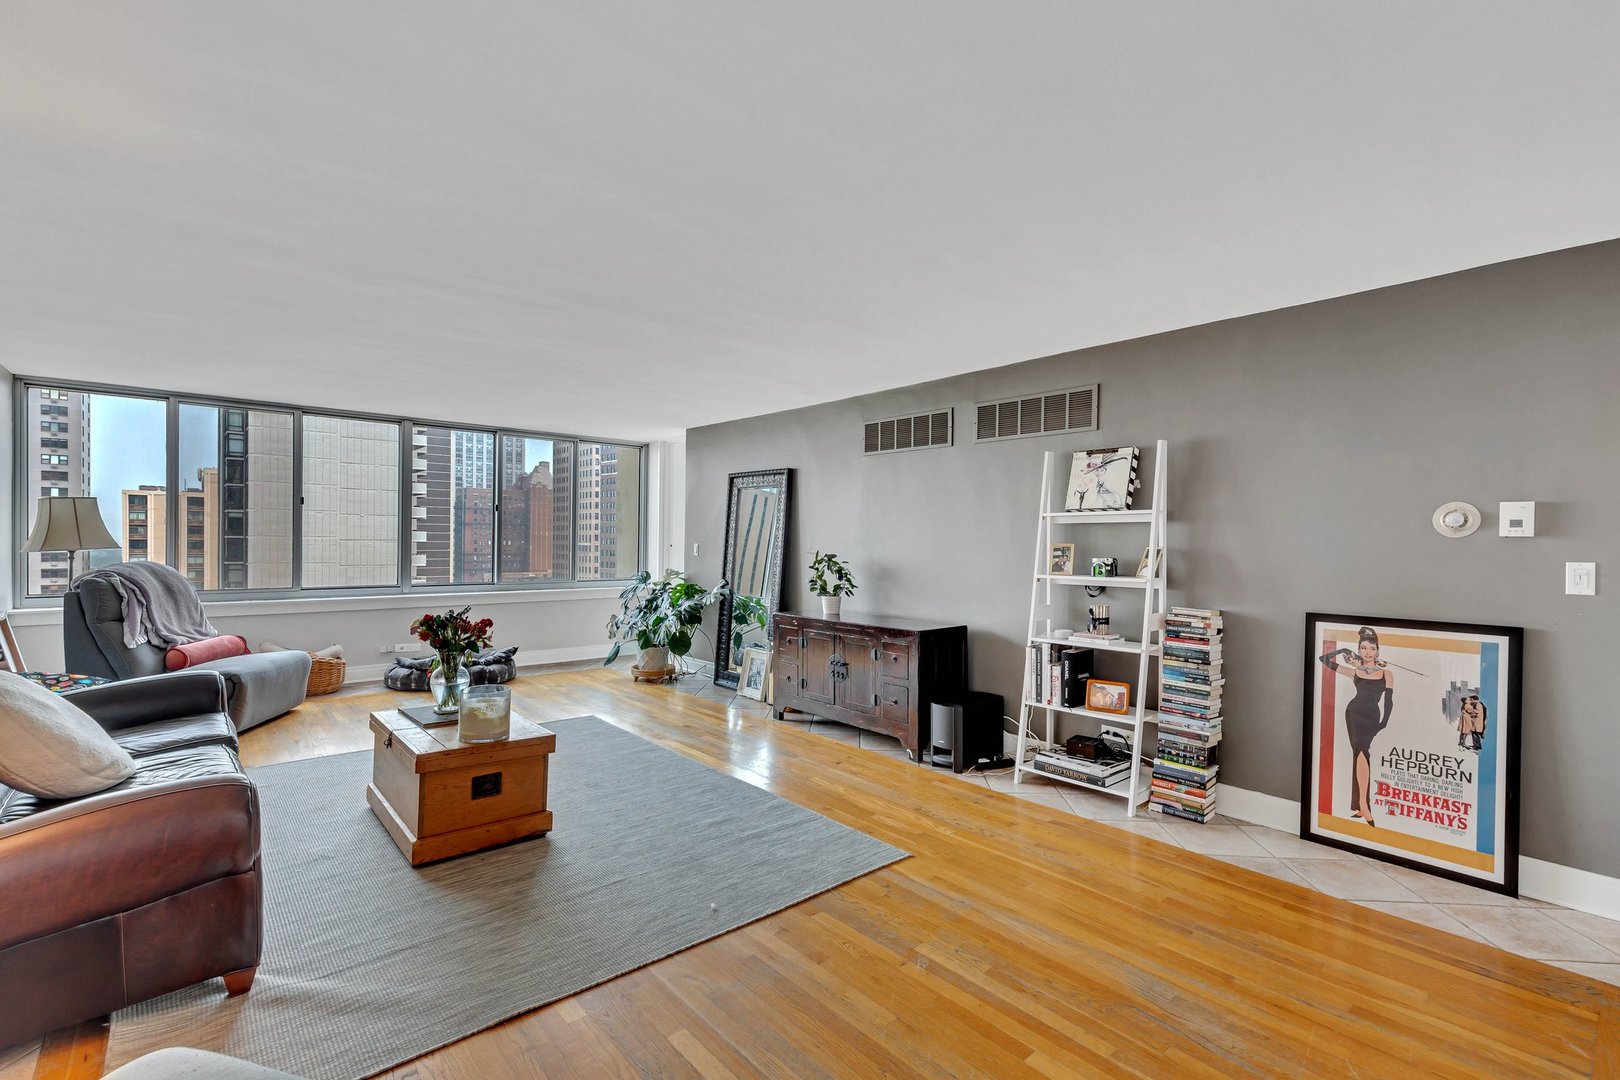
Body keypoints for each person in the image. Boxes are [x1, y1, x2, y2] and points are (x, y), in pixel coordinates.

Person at [1319, 626, 1395, 826]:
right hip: (1353, 712)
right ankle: (1362, 805)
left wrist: (1384, 722)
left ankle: (1363, 803)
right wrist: (1342, 651)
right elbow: (1324, 660)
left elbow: (1389, 701)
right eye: (1363, 648)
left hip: (1371, 716)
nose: (1367, 652)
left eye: (1371, 648)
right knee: (1359, 754)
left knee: (1362, 753)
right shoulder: (1355, 672)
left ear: (1377, 651)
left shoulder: (1387, 673)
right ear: (1359, 650)